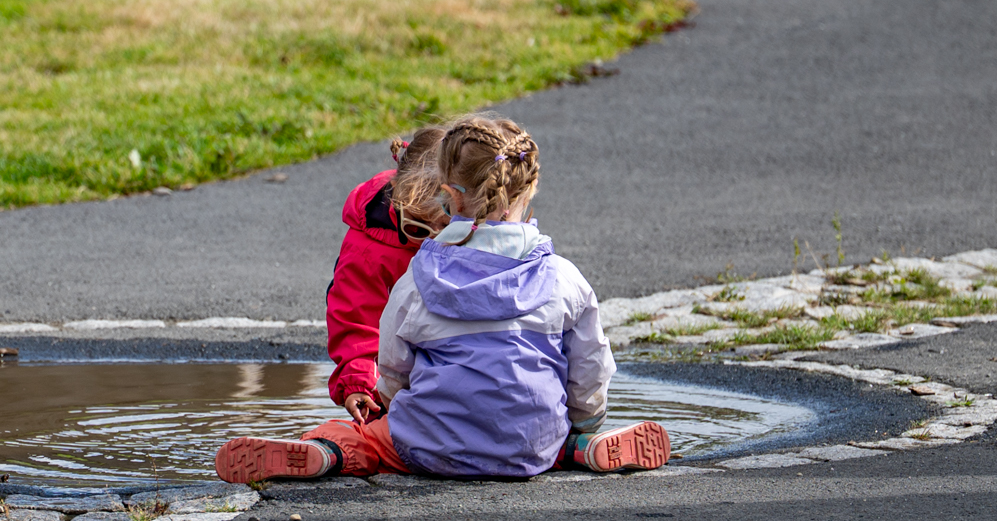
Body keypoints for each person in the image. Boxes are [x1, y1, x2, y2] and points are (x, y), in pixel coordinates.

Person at [216, 115, 670, 482]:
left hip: (429, 447)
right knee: (552, 431)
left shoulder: (419, 276)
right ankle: (583, 447)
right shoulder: (563, 276)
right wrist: (583, 419)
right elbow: (592, 365)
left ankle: (324, 450)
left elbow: (393, 367)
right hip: (531, 446)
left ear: (452, 197)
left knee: (364, 439)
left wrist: (389, 399)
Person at [326, 126, 448, 423]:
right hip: (392, 378)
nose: (433, 240)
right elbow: (355, 317)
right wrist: (358, 382)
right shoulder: (369, 245)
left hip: (455, 366)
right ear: (398, 198)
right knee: (381, 429)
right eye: (419, 230)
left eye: (446, 228)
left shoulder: (479, 222)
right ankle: (332, 449)